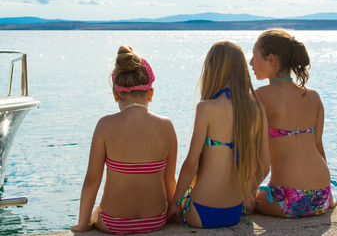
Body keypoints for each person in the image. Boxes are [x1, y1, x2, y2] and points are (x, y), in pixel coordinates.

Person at [71, 45, 177, 234]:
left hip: (114, 223)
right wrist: (173, 213)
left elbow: (92, 180)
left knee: (97, 212)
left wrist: (82, 224)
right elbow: (169, 180)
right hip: (155, 220)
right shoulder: (167, 126)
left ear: (115, 94)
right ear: (150, 93)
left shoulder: (105, 125)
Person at [168, 40, 269, 229]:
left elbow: (191, 165)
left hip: (200, 212)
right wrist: (248, 194)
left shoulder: (206, 108)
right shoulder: (257, 108)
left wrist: (175, 204)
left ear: (212, 69)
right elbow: (265, 164)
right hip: (234, 211)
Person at [250, 29, 337, 218]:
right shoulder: (313, 96)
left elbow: (262, 163)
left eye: (254, 56)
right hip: (321, 196)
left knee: (253, 198)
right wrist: (327, 193)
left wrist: (246, 195)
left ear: (271, 60)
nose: (251, 63)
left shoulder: (260, 96)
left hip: (289, 201)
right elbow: (318, 148)